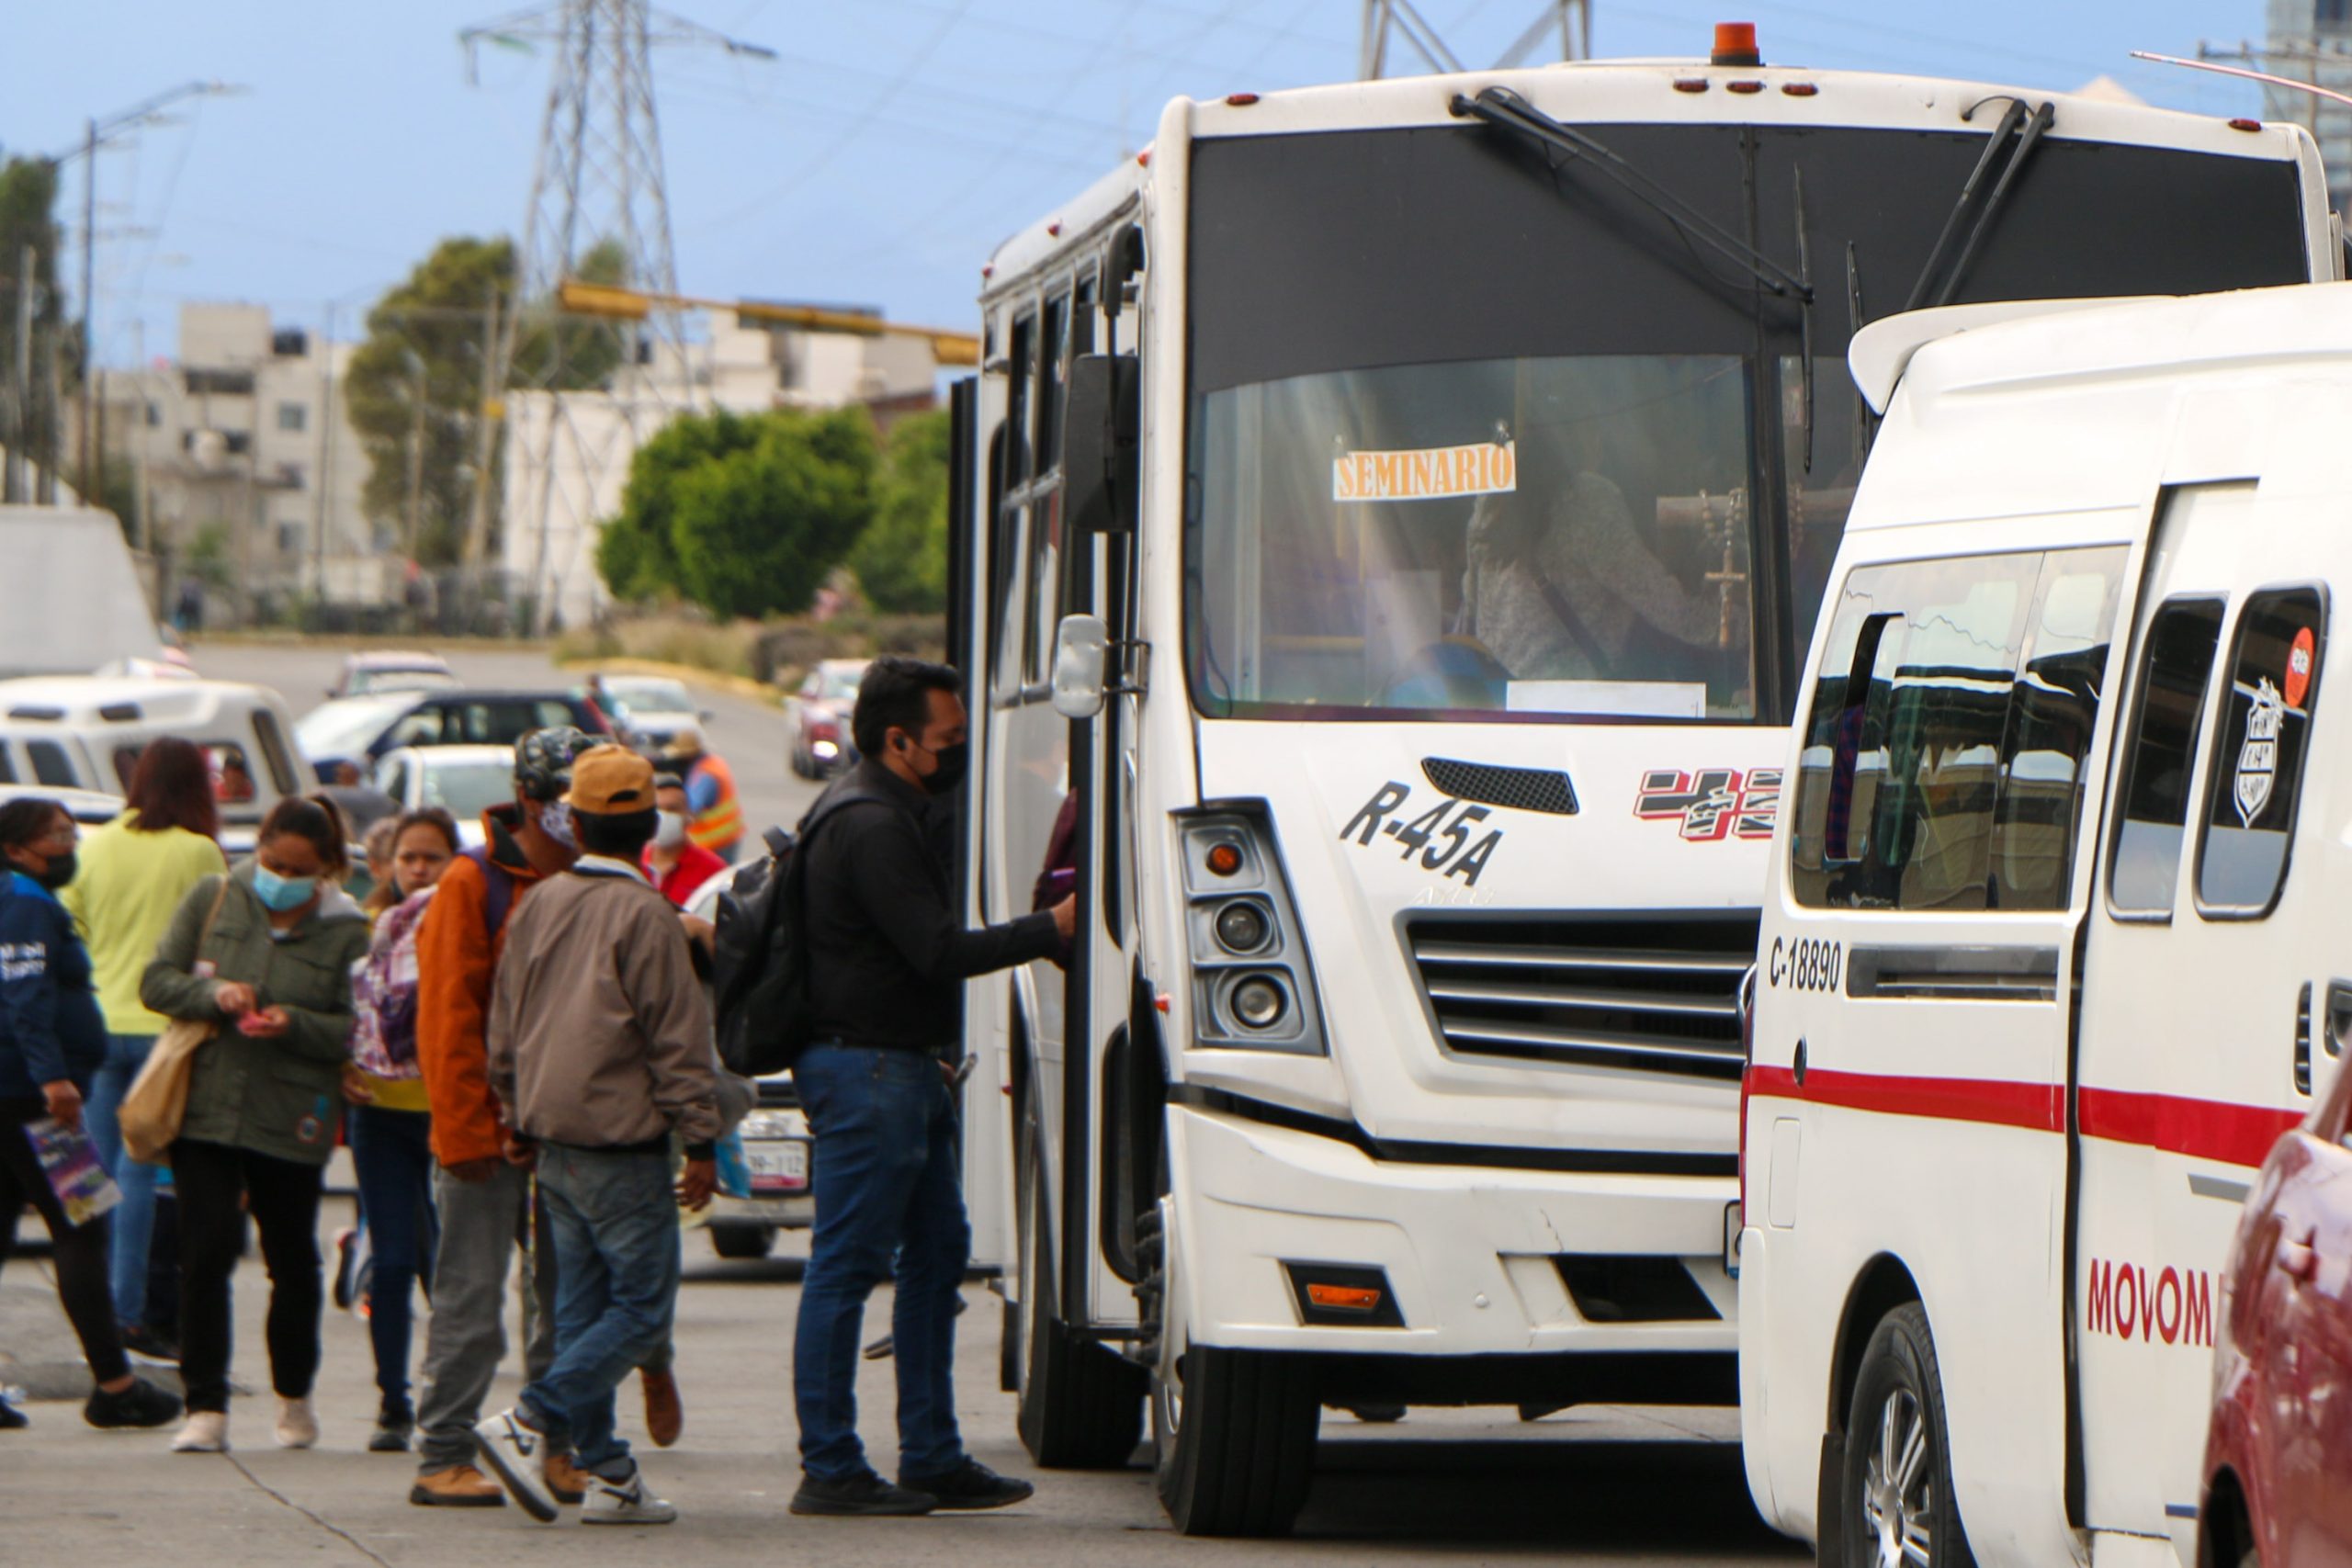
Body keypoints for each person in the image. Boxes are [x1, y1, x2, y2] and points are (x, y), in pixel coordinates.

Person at [788, 656, 1073, 1516]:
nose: (957, 754)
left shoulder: (881, 808)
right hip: (870, 1069)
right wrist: (1048, 929)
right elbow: (937, 950)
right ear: (896, 741)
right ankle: (831, 1464)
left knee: (937, 1249)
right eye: (946, 740)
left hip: (901, 1064)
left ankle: (932, 1450)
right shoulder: (872, 824)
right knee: (845, 1268)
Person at [474, 745, 720, 1525]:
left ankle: (609, 1472)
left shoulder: (540, 902)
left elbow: (504, 1024)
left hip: (553, 1146)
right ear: (650, 826)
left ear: (571, 823)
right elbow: (678, 1043)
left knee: (578, 1312)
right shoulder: (649, 914)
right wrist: (703, 1140)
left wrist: (513, 1112)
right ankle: (529, 1419)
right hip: (622, 1146)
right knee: (642, 1310)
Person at [411, 727, 621, 1507]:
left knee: (569, 1301)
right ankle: (441, 1452)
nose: (580, 818)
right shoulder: (474, 884)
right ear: (530, 801)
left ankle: (561, 1445)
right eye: (570, 803)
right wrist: (467, 1134)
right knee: (470, 1298)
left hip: (571, 1131)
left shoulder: (605, 875)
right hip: (488, 1136)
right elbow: (447, 1021)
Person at [141, 795, 370, 1453]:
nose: (280, 877)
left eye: (298, 869)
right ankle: (205, 1404)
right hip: (208, 1105)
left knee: (291, 1260)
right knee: (204, 1252)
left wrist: (294, 1023)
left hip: (291, 1113)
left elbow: (357, 1028)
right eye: (272, 860)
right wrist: (214, 995)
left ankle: (294, 1396)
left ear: (326, 868)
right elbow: (156, 981)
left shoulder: (347, 930)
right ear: (259, 845)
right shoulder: (214, 896)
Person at [0, 798, 184, 1432]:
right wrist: (54, 1076)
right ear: (18, 846)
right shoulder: (24, 901)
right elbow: (24, 995)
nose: (70, 843)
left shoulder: (18, 894)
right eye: (58, 834)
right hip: (34, 1097)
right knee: (83, 1223)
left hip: (16, 1092)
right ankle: (115, 1383)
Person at [64, 737, 227, 1360]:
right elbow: (217, 934)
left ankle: (90, 1310)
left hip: (98, 1024)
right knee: (140, 1175)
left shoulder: (97, 843)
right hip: (167, 1029)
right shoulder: (199, 851)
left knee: (89, 1173)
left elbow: (70, 923)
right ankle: (126, 1312)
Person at [345, 807, 460, 1453]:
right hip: (380, 1115)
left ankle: (446, 1394)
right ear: (388, 863)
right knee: (390, 1261)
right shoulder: (364, 929)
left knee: (446, 1266)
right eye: (409, 857)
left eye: (432, 856)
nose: (418, 867)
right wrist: (341, 1065)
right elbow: (342, 1012)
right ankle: (394, 1400)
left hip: (449, 1117)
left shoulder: (462, 926)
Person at [641, 773, 725, 908]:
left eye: (672, 809)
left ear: (689, 816)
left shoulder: (712, 870)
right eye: (658, 809)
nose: (664, 817)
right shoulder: (635, 864)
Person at [665, 728, 742, 864]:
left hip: (714, 842)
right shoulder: (713, 763)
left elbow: (692, 807)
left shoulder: (704, 774)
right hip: (725, 838)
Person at [324, 761, 400, 841]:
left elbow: (325, 793)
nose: (339, 773)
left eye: (345, 769)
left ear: (355, 774)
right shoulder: (346, 799)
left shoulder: (368, 795)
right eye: (338, 772)